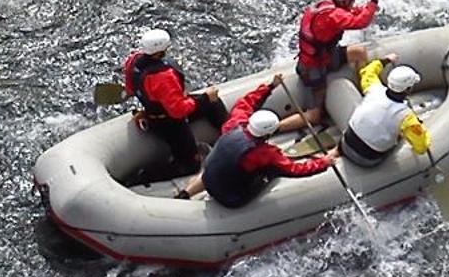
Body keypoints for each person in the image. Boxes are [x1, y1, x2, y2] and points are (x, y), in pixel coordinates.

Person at [179, 76, 332, 206]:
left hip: (210, 178)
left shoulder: (234, 123)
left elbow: (248, 101)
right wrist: (323, 162)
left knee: (223, 163)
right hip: (231, 197)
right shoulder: (265, 153)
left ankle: (186, 193)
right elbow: (293, 170)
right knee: (272, 170)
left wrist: (270, 86)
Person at [121, 28, 227, 173]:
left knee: (211, 104)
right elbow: (178, 111)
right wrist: (204, 98)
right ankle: (144, 175)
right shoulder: (163, 76)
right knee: (190, 165)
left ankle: (230, 134)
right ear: (160, 52)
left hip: (155, 112)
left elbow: (130, 89)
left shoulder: (132, 61)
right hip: (169, 123)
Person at [292, 0, 383, 118]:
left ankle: (366, 88)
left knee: (359, 52)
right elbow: (360, 22)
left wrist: (369, 7)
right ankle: (279, 127)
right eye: (352, 1)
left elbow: (352, 13)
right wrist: (374, 0)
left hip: (325, 56)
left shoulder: (327, 6)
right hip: (313, 67)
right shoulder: (333, 16)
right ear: (346, 0)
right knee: (317, 113)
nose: (353, 3)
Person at [340, 56, 431, 168]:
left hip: (344, 144)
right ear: (407, 89)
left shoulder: (374, 88)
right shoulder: (406, 117)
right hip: (367, 159)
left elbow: (368, 71)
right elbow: (421, 148)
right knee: (401, 137)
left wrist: (386, 60)